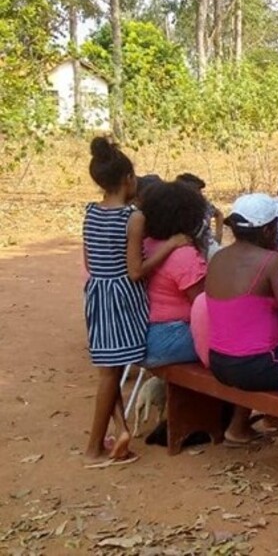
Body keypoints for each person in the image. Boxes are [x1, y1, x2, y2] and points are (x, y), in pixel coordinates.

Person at [81, 137, 187, 468]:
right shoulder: (133, 217)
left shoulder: (90, 212)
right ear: (128, 179)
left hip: (97, 291)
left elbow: (89, 261)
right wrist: (170, 246)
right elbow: (135, 271)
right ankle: (93, 449)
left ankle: (121, 429)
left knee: (107, 365)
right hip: (122, 297)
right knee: (108, 374)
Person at [205, 193, 278, 444]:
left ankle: (239, 426)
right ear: (267, 231)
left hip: (220, 362)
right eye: (276, 224)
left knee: (251, 342)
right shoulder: (273, 261)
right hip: (258, 367)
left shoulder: (218, 257)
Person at [140, 181, 209, 369]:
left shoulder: (145, 244)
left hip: (143, 335)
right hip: (171, 338)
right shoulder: (184, 254)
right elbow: (202, 303)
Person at [176, 172, 224, 258]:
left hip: (207, 249)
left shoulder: (204, 204)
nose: (200, 194)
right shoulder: (175, 208)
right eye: (197, 191)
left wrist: (218, 237)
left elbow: (219, 214)